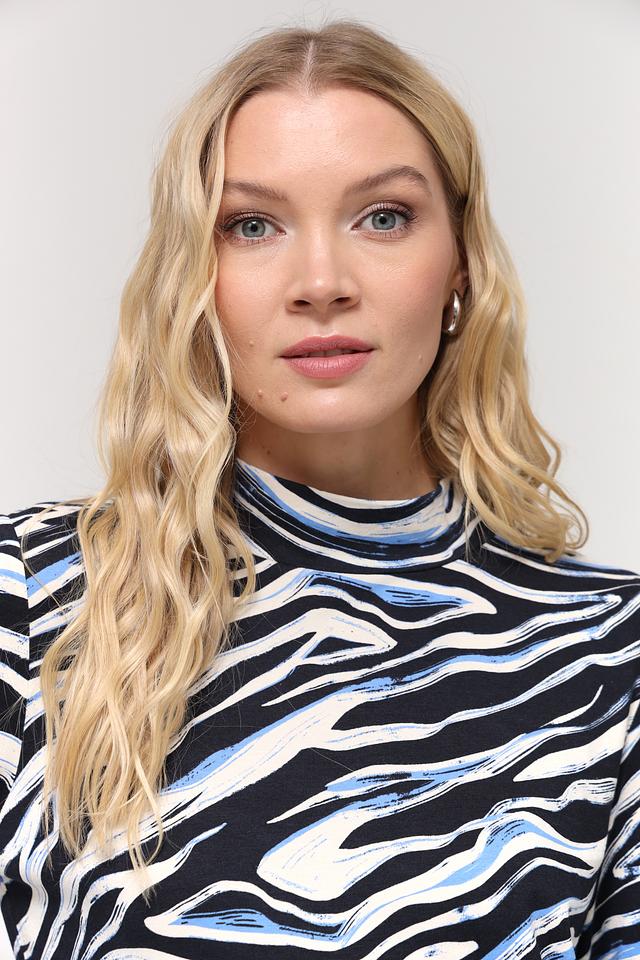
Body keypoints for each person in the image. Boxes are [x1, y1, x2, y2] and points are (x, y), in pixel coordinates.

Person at [1, 17, 638, 960]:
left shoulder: (609, 655)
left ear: (460, 262)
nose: (321, 282)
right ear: (193, 274)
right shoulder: (32, 595)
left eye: (383, 217)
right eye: (252, 226)